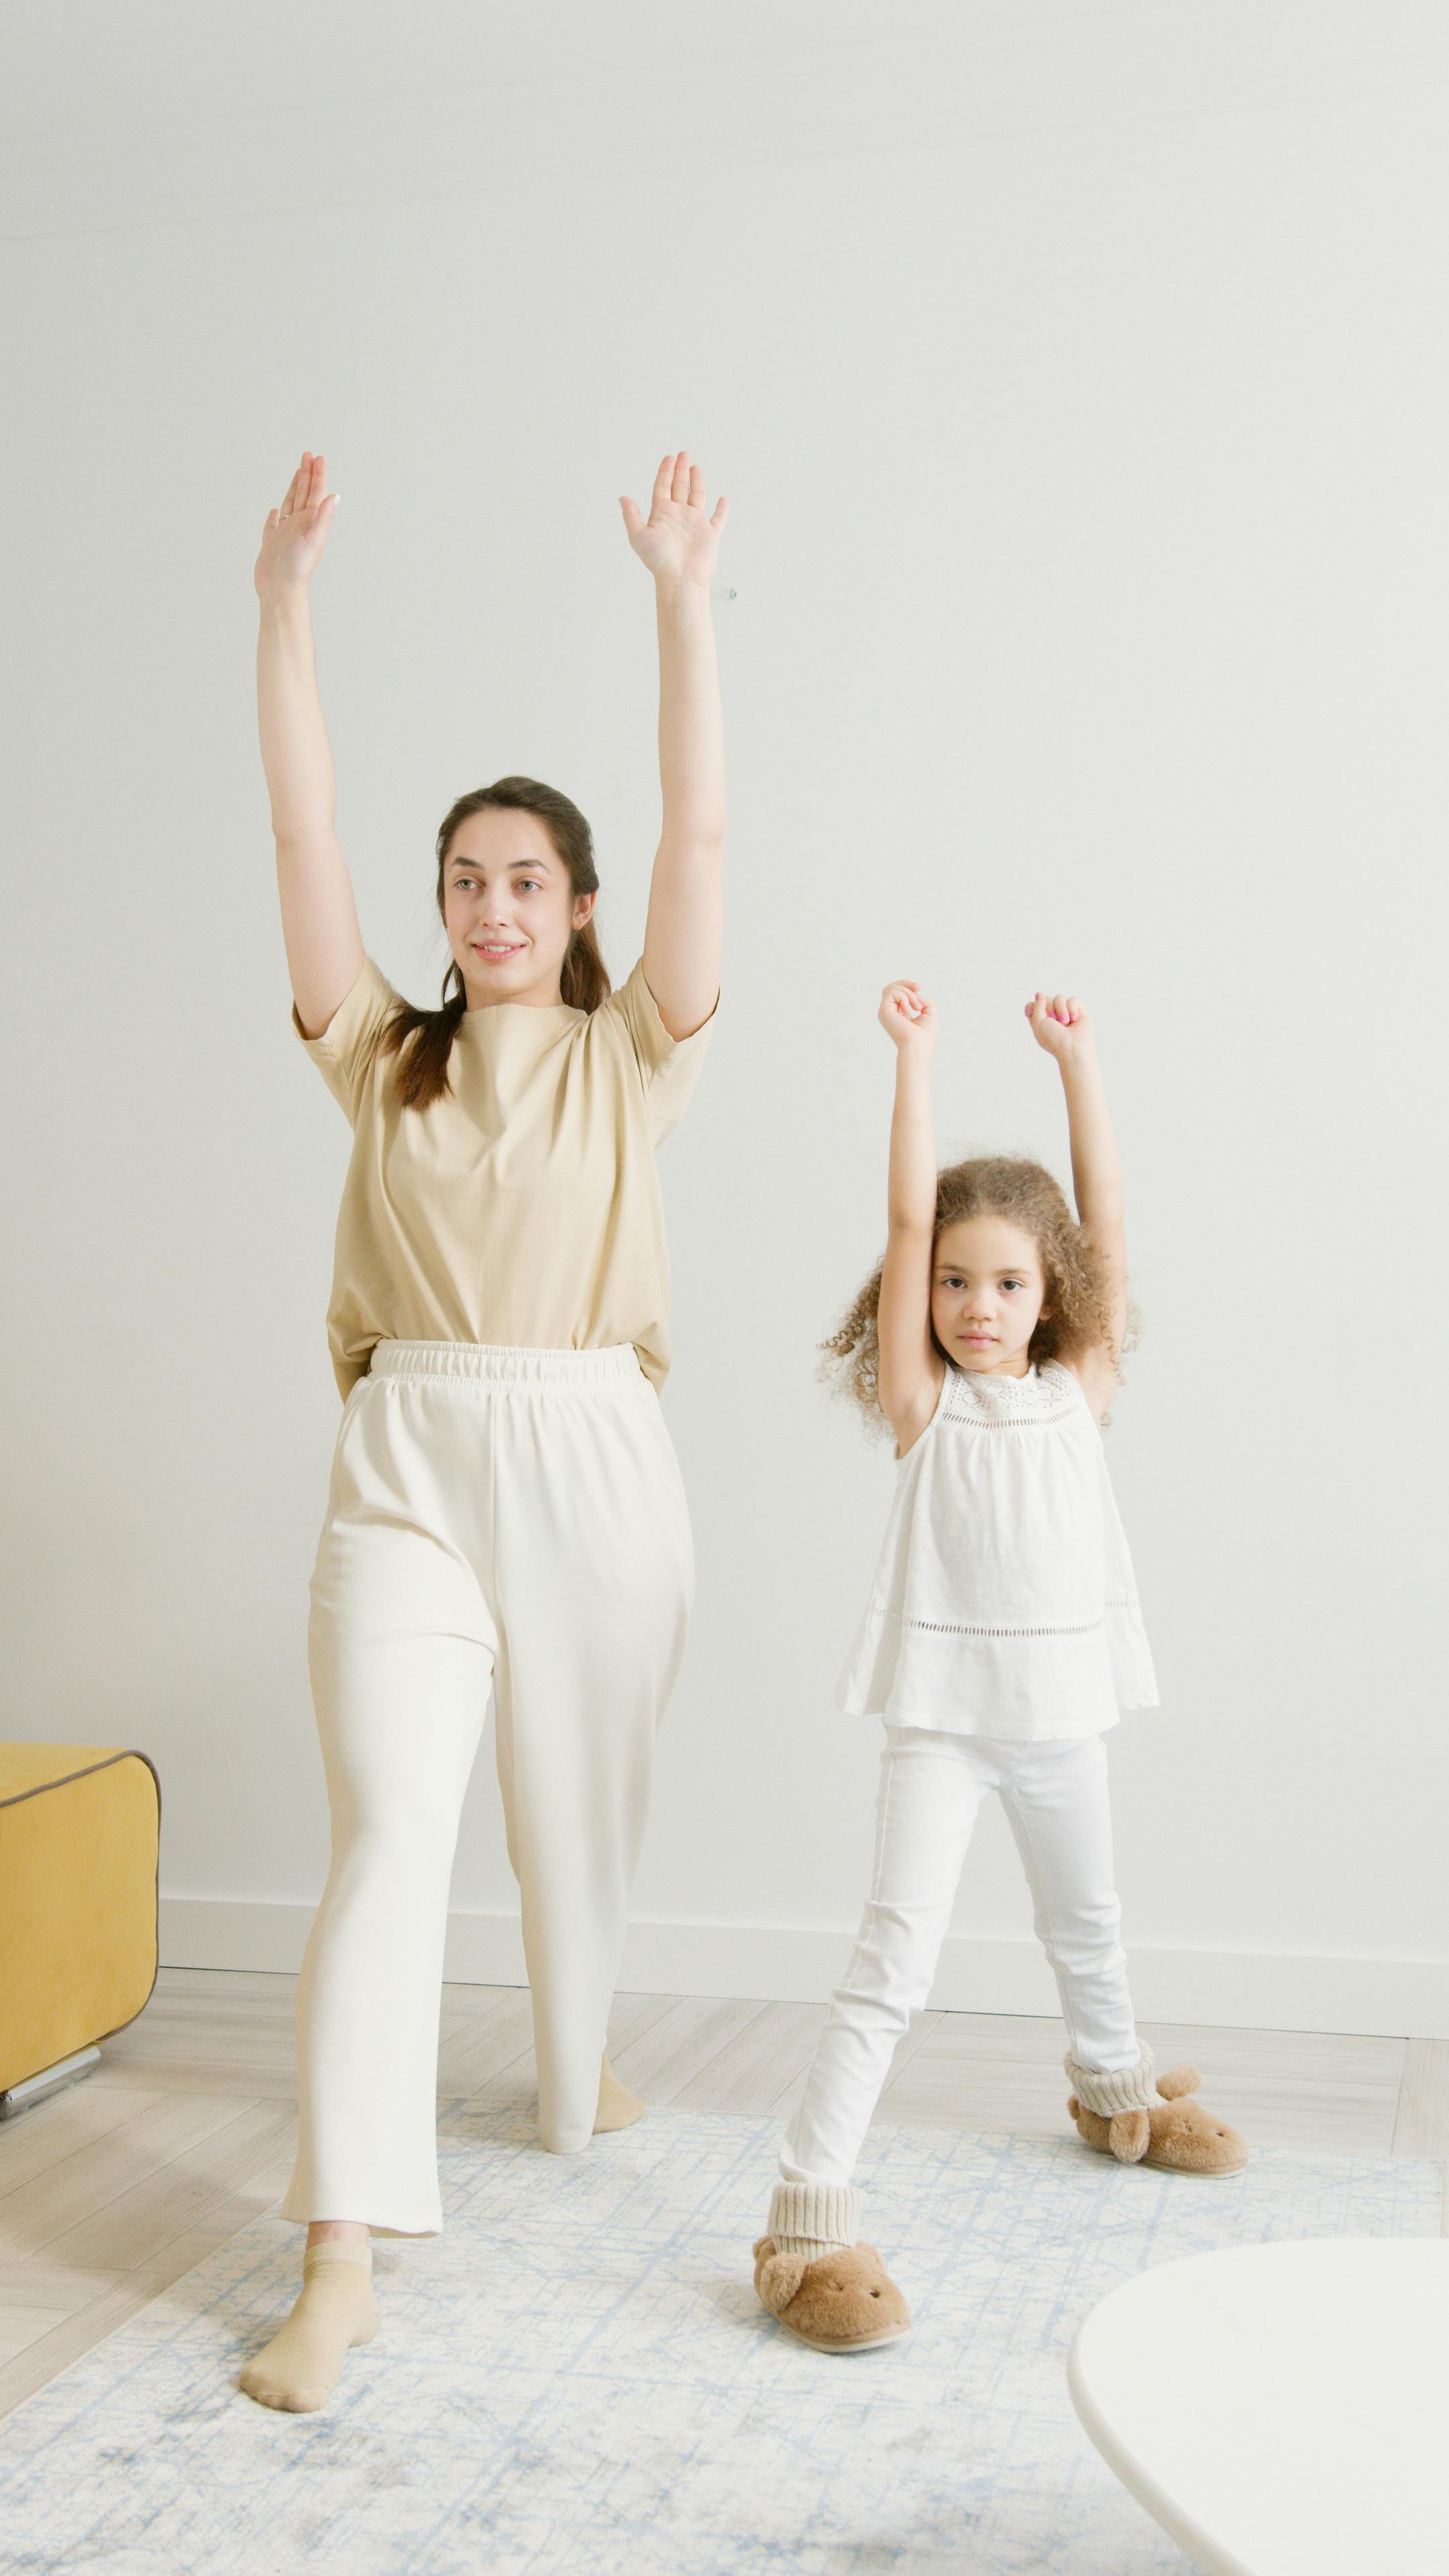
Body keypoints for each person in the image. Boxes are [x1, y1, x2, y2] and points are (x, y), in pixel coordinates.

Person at [239, 447, 727, 2412]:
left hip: (596, 1449)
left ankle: (573, 2038)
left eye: (529, 880)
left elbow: (703, 827)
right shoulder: (382, 1054)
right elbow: (301, 831)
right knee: (388, 1836)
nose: (493, 904)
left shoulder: (635, 1053)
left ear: (577, 906)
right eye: (468, 883)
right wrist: (281, 606)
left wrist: (681, 598)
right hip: (411, 1460)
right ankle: (342, 2248)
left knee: (575, 1826)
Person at [751, 980, 1247, 2356]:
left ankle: (1114, 2091)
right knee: (892, 1963)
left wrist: (1079, 1064)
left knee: (1087, 1923)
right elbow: (908, 1220)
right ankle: (806, 2216)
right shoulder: (928, 1407)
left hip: (1061, 1716)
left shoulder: (1077, 1389)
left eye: (1010, 1284)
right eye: (959, 1285)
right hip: (945, 1726)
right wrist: (916, 1061)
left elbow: (1110, 1228)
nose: (978, 1306)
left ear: (1053, 1296)